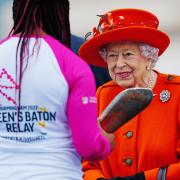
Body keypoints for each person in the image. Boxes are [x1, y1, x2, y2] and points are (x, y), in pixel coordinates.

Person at [0, 0, 114, 179]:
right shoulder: (73, 63)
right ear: (61, 14)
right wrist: (105, 142)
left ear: (16, 11)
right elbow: (88, 147)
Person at [79, 8, 180, 180]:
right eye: (112, 55)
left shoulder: (176, 92)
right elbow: (88, 162)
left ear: (149, 57)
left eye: (128, 54)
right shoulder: (103, 95)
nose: (119, 64)